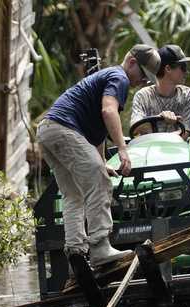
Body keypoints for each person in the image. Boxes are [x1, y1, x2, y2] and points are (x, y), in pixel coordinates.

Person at [38, 44, 162, 265]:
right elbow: (108, 111)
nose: (143, 82)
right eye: (143, 76)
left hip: (48, 131)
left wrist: (102, 161)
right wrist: (123, 150)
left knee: (74, 193)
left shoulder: (107, 78)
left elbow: (96, 134)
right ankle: (100, 247)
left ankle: (75, 248)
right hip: (63, 128)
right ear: (132, 63)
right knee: (100, 182)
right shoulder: (119, 77)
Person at [129, 44, 190, 138]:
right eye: (183, 67)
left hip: (179, 149)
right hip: (149, 149)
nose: (186, 72)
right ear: (168, 69)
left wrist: (157, 134)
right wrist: (160, 118)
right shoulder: (142, 96)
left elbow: (187, 131)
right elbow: (135, 126)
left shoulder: (188, 95)